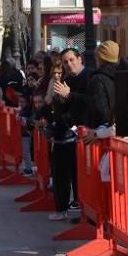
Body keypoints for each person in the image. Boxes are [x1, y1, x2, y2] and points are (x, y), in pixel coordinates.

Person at [48, 48, 92, 221]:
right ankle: (62, 208)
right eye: (65, 62)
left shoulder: (90, 77)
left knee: (81, 174)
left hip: (86, 134)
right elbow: (63, 108)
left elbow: (92, 103)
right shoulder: (66, 79)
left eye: (71, 60)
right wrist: (60, 100)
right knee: (60, 169)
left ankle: (85, 212)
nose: (69, 64)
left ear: (80, 59)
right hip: (66, 133)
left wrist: (70, 95)